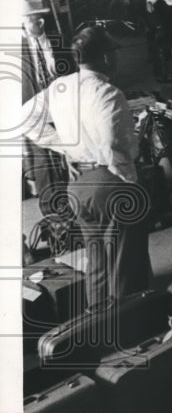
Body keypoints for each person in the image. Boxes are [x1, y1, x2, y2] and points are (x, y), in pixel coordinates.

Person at [21, 26, 151, 311]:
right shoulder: (108, 93)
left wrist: (66, 146)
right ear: (106, 56)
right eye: (114, 53)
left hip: (78, 183)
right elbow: (111, 148)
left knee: (97, 256)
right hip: (110, 181)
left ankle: (96, 314)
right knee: (122, 257)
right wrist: (132, 182)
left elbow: (25, 118)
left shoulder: (59, 87)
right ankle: (128, 319)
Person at [21, 0, 68, 214]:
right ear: (21, 22)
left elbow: (69, 72)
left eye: (41, 20)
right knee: (42, 162)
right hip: (30, 111)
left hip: (59, 106)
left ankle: (70, 205)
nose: (40, 24)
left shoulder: (55, 41)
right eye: (34, 20)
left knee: (66, 155)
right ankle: (53, 216)